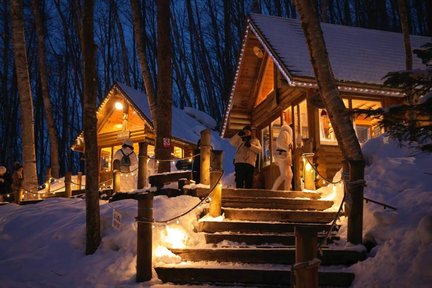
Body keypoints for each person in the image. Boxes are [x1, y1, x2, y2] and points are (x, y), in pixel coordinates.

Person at [272, 122, 294, 191]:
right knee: (283, 175)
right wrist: (287, 148)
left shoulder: (289, 136)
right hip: (282, 157)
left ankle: (287, 192)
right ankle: (273, 190)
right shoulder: (284, 133)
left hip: (285, 158)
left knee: (289, 175)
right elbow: (279, 143)